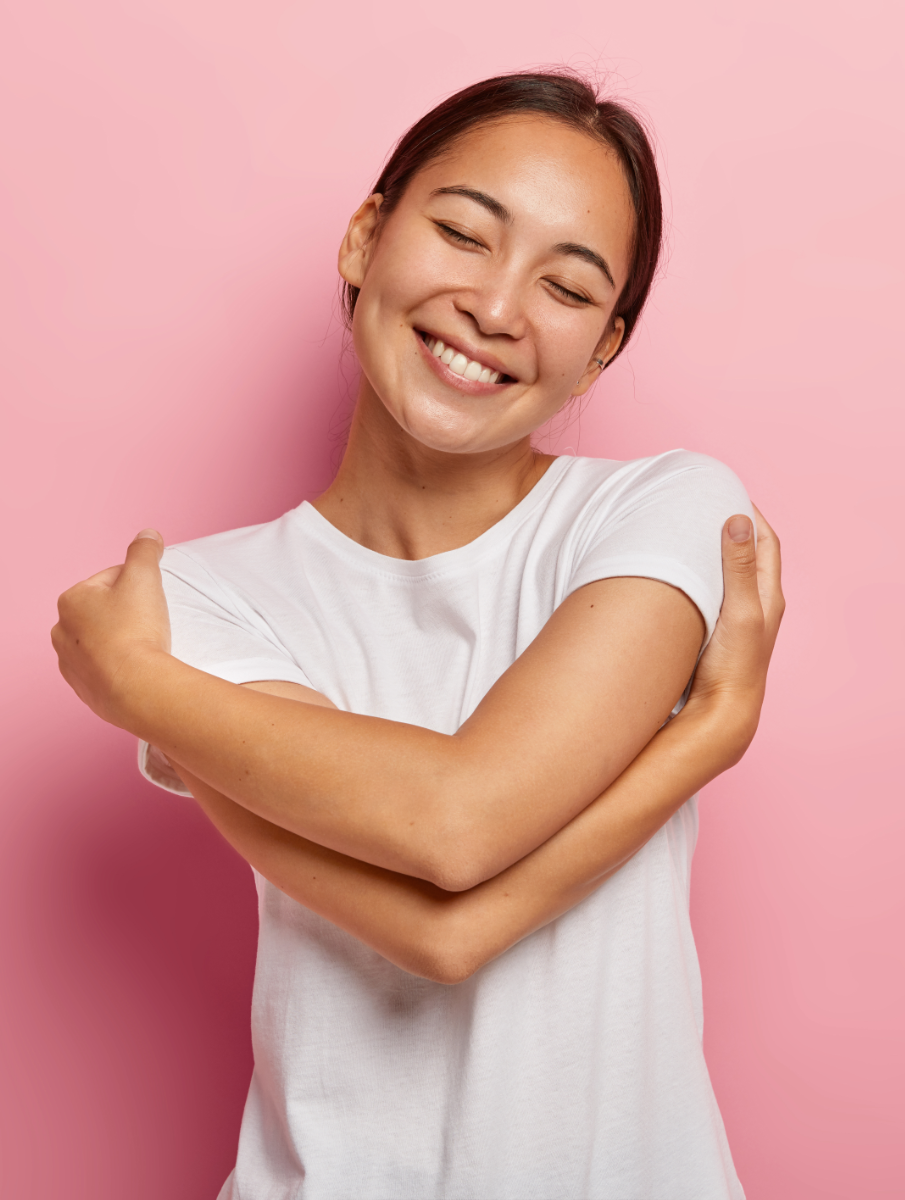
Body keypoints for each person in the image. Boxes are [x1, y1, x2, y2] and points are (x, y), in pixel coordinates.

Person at [52, 73, 783, 1198]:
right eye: (461, 232)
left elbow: (455, 825)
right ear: (364, 238)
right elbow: (441, 920)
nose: (498, 307)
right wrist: (704, 733)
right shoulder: (196, 600)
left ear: (603, 349)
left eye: (568, 286)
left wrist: (140, 689)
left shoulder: (664, 511)